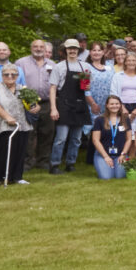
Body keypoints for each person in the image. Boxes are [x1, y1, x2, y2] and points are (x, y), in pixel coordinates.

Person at [0, 62, 34, 187]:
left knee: (20, 151)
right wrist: (7, 117)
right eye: (6, 74)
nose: (10, 76)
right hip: (2, 125)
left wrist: (34, 107)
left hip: (21, 124)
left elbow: (33, 106)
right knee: (2, 151)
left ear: (17, 75)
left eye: (13, 74)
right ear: (2, 75)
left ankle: (17, 177)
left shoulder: (23, 89)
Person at [47, 39, 92, 174]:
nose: (72, 51)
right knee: (61, 138)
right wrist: (54, 108)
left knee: (77, 139)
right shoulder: (59, 67)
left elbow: (86, 86)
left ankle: (70, 163)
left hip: (79, 104)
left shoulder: (85, 66)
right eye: (69, 49)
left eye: (75, 49)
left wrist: (88, 85)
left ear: (78, 50)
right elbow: (53, 88)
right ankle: (54, 164)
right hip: (64, 104)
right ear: (65, 50)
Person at [15, 40, 56, 169]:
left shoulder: (52, 64)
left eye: (41, 47)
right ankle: (27, 161)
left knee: (47, 132)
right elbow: (17, 84)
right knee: (28, 133)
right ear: (30, 48)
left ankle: (43, 161)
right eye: (35, 46)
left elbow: (55, 85)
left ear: (45, 49)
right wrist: (29, 102)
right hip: (27, 103)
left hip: (47, 102)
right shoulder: (21, 63)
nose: (38, 49)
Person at [91, 96, 134, 181]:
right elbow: (95, 140)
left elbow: (129, 139)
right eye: (111, 104)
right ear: (107, 105)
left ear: (120, 105)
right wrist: (106, 157)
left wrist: (123, 154)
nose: (114, 106)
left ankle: (116, 165)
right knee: (106, 177)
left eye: (117, 104)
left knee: (120, 177)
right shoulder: (99, 120)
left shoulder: (125, 119)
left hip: (120, 154)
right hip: (103, 155)